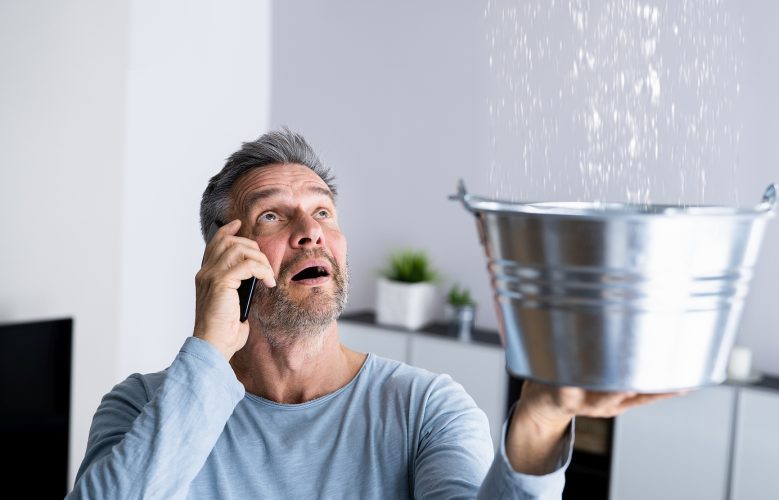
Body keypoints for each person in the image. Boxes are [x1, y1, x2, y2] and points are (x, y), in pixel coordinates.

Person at [68, 129, 673, 499]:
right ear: (224, 258)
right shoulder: (142, 407)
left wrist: (539, 420)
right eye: (274, 216)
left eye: (324, 212)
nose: (311, 232)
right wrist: (208, 347)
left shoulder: (425, 408)